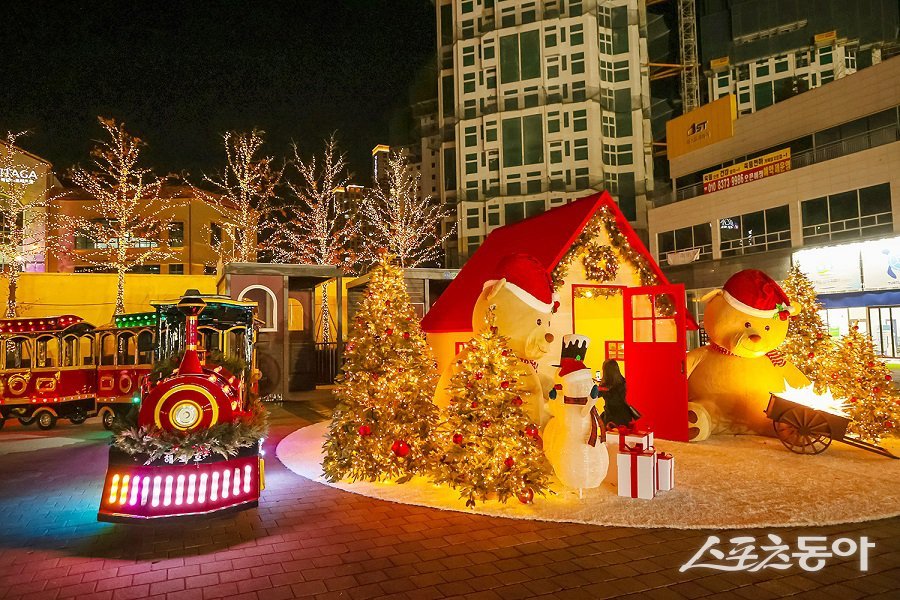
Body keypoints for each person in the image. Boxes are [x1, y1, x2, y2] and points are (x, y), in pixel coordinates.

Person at [597, 359, 639, 428]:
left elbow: (596, 394)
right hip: (624, 415)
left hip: (611, 417)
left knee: (610, 437)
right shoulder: (622, 381)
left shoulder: (606, 386)